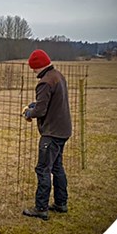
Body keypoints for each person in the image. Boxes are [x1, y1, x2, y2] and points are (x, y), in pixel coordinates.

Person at [21, 49, 72, 221]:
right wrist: (35, 105)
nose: (33, 71)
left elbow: (41, 110)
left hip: (52, 132)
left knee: (43, 169)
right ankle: (61, 203)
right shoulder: (58, 76)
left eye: (33, 68)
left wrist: (29, 112)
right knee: (57, 167)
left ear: (39, 66)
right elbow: (52, 102)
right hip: (63, 130)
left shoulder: (44, 82)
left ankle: (41, 208)